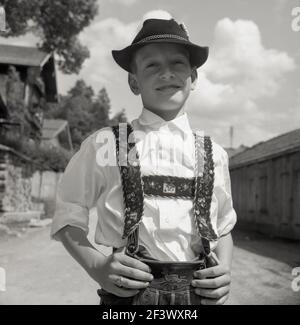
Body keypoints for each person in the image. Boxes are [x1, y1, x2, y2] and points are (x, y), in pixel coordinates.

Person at [50, 17, 237, 305]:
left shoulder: (215, 153)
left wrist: (223, 269)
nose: (167, 74)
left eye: (177, 63)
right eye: (152, 65)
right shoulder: (107, 144)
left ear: (194, 77)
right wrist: (97, 267)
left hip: (199, 299)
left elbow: (223, 228)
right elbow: (67, 212)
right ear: (134, 81)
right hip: (128, 298)